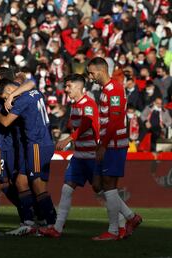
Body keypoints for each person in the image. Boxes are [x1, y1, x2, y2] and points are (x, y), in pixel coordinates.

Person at [0, 78, 57, 236]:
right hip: (34, 144)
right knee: (20, 181)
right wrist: (11, 96)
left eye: (5, 97)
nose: (6, 101)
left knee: (39, 185)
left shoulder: (21, 101)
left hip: (38, 144)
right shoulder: (33, 92)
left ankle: (52, 223)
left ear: (10, 90)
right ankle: (28, 223)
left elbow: (6, 122)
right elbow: (32, 81)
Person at [87, 57, 142, 241]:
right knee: (99, 185)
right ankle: (130, 218)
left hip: (115, 144)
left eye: (91, 72)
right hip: (107, 142)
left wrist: (103, 144)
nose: (90, 76)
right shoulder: (105, 90)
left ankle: (113, 230)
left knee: (109, 185)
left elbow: (116, 119)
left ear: (101, 70)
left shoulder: (115, 89)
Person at [38, 74, 99, 238]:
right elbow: (75, 125)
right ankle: (57, 229)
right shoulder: (75, 105)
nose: (66, 90)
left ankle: (127, 218)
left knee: (102, 190)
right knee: (66, 188)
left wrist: (67, 139)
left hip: (92, 154)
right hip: (79, 155)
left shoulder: (88, 104)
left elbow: (87, 124)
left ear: (78, 87)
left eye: (68, 86)